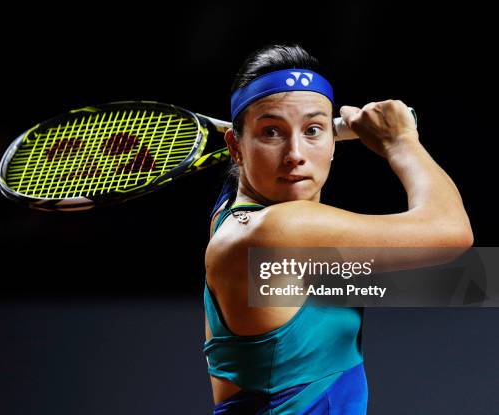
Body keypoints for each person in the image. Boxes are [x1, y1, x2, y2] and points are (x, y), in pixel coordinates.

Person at [203, 44, 473, 414]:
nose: (295, 153)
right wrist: (400, 140)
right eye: (271, 132)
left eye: (312, 129)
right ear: (235, 146)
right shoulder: (277, 230)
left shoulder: (235, 218)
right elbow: (451, 232)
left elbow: (462, 280)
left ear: (333, 140)